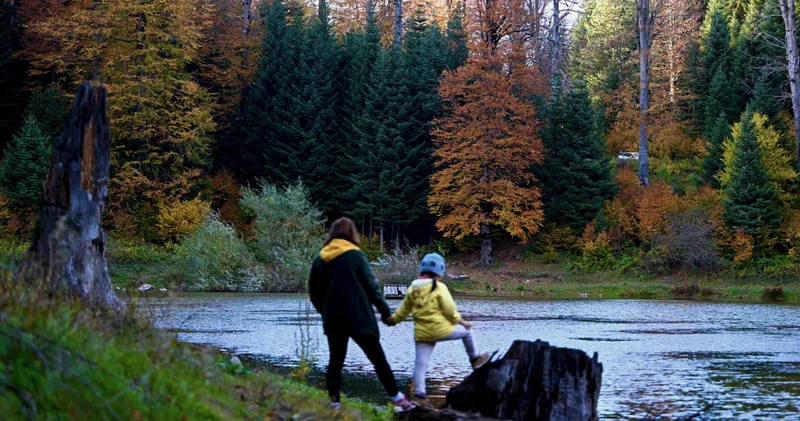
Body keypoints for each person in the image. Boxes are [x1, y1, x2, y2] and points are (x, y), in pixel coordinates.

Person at [308, 217, 414, 411]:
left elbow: (314, 293)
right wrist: (385, 313)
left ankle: (334, 402)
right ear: (352, 234)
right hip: (359, 318)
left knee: (335, 361)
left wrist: (325, 311)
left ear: (331, 234)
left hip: (333, 319)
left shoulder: (320, 259)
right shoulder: (355, 256)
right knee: (378, 359)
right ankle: (397, 398)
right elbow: (372, 287)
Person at [385, 253, 490, 406]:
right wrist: (461, 322)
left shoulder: (413, 288)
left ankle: (419, 395)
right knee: (467, 332)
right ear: (439, 271)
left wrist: (392, 320)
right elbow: (449, 310)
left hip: (422, 334)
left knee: (420, 365)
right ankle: (475, 359)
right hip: (441, 330)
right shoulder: (440, 287)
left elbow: (403, 311)